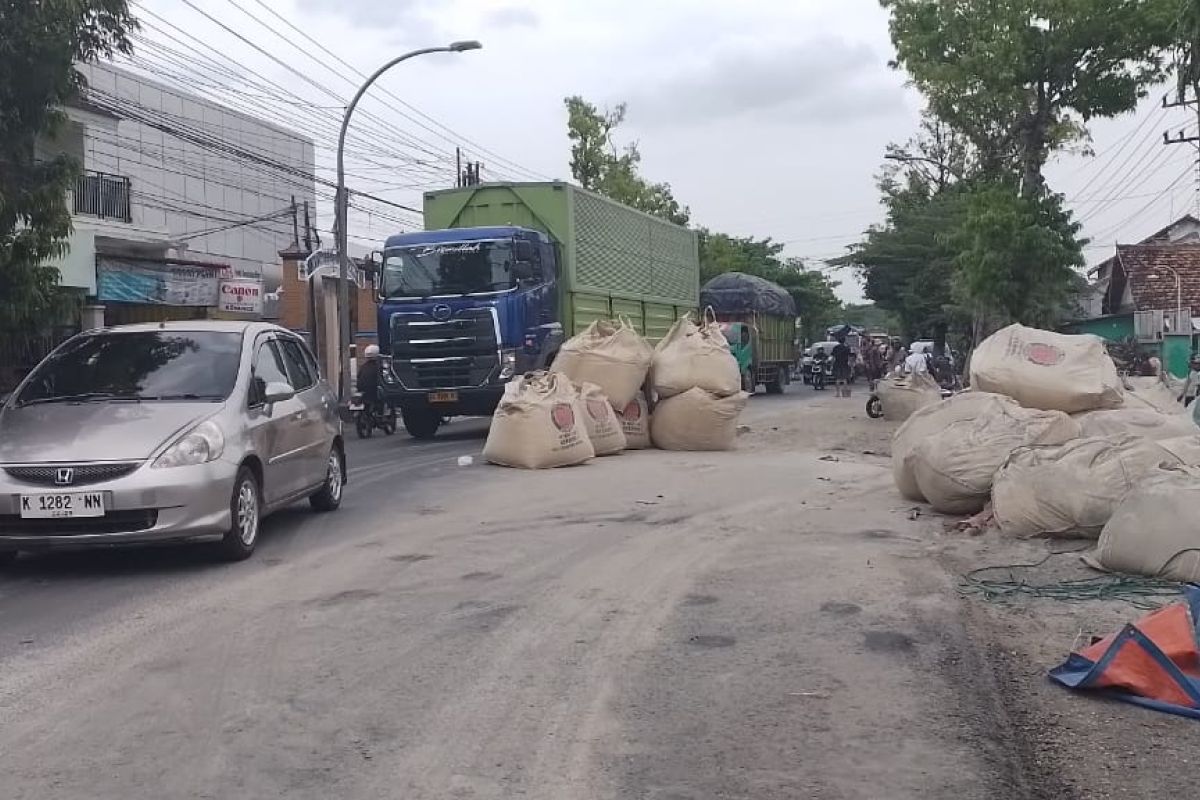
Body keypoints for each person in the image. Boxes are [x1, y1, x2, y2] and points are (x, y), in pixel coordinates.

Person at [356, 344, 383, 417]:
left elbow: (358, 379)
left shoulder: (363, 367)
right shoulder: (379, 367)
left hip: (363, 392)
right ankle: (380, 413)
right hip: (374, 392)